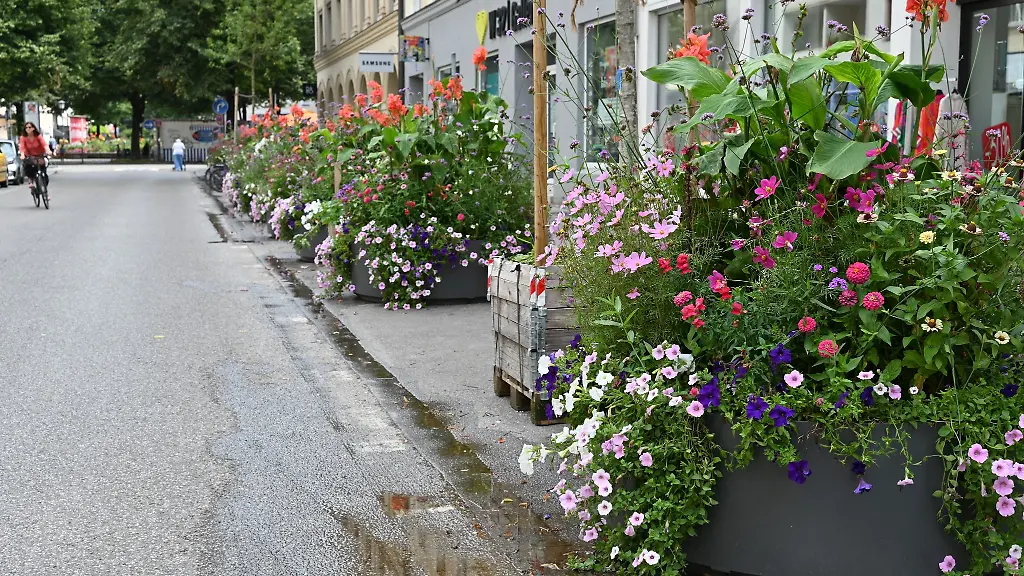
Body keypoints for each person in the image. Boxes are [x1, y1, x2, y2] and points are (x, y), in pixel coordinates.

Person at [19, 122, 49, 193]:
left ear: (33, 128)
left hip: (40, 155)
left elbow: (44, 144)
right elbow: (22, 147)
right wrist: (22, 154)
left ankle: (45, 192)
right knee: (28, 165)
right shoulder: (23, 137)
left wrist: (48, 151)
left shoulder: (38, 136)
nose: (28, 129)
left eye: (29, 127)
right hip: (30, 156)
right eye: (26, 128)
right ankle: (30, 181)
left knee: (43, 173)